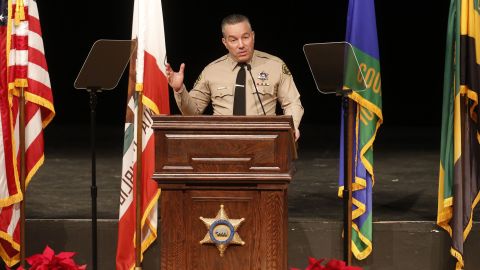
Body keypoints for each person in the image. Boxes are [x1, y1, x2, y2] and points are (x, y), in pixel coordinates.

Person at [166, 14, 304, 140]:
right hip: (221, 143)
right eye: (233, 40)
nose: (241, 45)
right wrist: (179, 90)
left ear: (253, 36)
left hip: (265, 142)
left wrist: (292, 126)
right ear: (225, 42)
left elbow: (292, 103)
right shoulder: (211, 70)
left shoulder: (275, 66)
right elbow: (193, 114)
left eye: (245, 37)